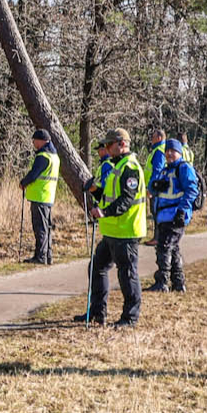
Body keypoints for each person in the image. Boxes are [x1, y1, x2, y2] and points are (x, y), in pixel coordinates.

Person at [74, 128, 146, 327]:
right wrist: (95, 191)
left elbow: (126, 201)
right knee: (97, 268)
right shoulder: (117, 165)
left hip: (127, 230)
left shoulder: (130, 168)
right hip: (112, 231)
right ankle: (98, 312)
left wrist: (103, 212)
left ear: (121, 144)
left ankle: (130, 318)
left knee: (127, 274)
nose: (105, 148)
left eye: (108, 144)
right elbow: (108, 196)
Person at [146, 138, 200, 292]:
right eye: (167, 151)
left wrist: (182, 211)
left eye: (173, 151)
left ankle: (162, 282)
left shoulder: (184, 168)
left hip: (175, 216)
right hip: (164, 216)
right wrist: (155, 185)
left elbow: (192, 190)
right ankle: (178, 283)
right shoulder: (165, 171)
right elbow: (153, 190)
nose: (169, 154)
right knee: (173, 249)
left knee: (164, 247)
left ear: (179, 152)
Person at [19, 129, 59, 264]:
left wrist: (23, 183)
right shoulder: (54, 156)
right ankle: (48, 255)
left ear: (41, 141)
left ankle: (40, 256)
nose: (33, 143)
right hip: (48, 195)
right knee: (46, 227)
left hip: (39, 196)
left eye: (34, 140)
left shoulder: (43, 156)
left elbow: (34, 174)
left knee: (40, 227)